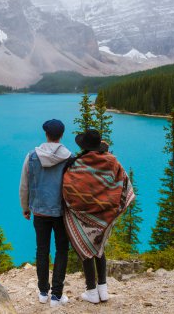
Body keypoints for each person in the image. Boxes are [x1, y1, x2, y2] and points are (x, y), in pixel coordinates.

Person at [63, 129, 135, 304]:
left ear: (84, 146)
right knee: (100, 249)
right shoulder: (112, 161)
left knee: (87, 251)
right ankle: (103, 289)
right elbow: (124, 182)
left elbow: (67, 188)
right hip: (105, 215)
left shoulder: (77, 164)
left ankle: (92, 291)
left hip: (84, 215)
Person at [19, 119, 72, 308]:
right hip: (61, 213)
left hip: (40, 212)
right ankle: (56, 296)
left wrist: (25, 207)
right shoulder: (70, 158)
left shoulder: (32, 156)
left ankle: (43, 293)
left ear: (46, 135)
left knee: (42, 250)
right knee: (62, 250)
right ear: (61, 135)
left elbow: (24, 185)